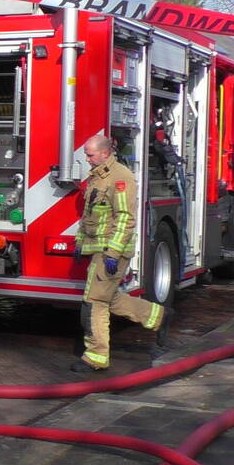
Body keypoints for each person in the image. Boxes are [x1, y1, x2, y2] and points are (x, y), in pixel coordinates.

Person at [71, 135, 171, 373]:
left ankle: (96, 356)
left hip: (109, 251)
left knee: (94, 301)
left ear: (105, 153)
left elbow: (125, 218)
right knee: (108, 297)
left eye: (90, 154)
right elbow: (90, 216)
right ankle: (158, 316)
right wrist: (79, 242)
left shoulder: (121, 177)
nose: (87, 159)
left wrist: (113, 253)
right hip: (98, 249)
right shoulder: (97, 177)